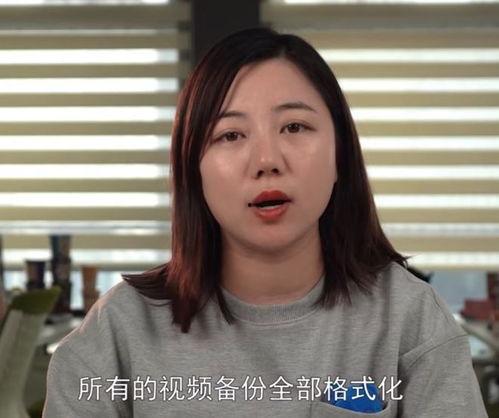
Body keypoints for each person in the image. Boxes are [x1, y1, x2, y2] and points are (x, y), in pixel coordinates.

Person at [43, 27, 487, 417]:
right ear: (193, 170)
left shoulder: (410, 320)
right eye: (230, 135)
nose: (267, 160)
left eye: (294, 127)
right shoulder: (117, 333)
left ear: (340, 155)